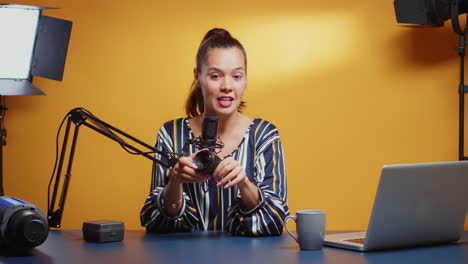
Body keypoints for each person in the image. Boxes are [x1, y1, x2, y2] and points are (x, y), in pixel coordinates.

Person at [140, 28, 289, 236]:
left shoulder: (264, 135)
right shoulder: (170, 134)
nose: (227, 86)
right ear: (198, 77)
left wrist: (244, 184)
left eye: (237, 76)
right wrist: (176, 181)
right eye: (215, 76)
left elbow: (275, 222)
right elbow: (155, 224)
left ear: (245, 79)